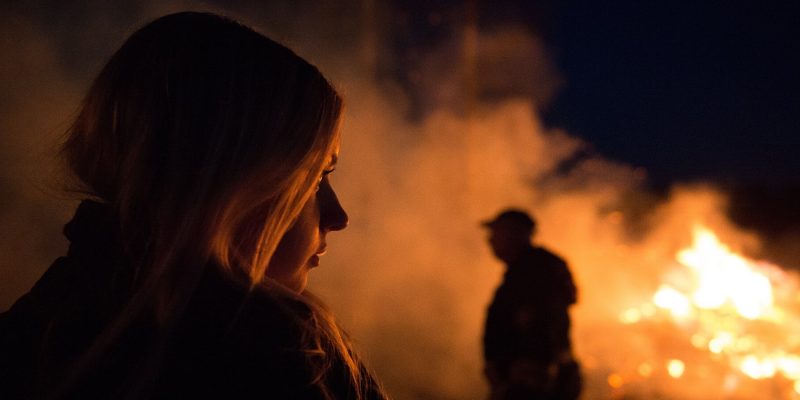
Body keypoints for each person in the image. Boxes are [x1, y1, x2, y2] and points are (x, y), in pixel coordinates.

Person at [0, 12, 388, 399]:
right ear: (226, 184)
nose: (338, 217)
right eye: (316, 178)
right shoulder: (278, 362)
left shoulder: (34, 332)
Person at [481, 209, 581, 400]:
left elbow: (546, 322)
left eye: (496, 233)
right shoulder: (525, 271)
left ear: (513, 234)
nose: (490, 240)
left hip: (531, 385)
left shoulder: (536, 272)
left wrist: (530, 369)